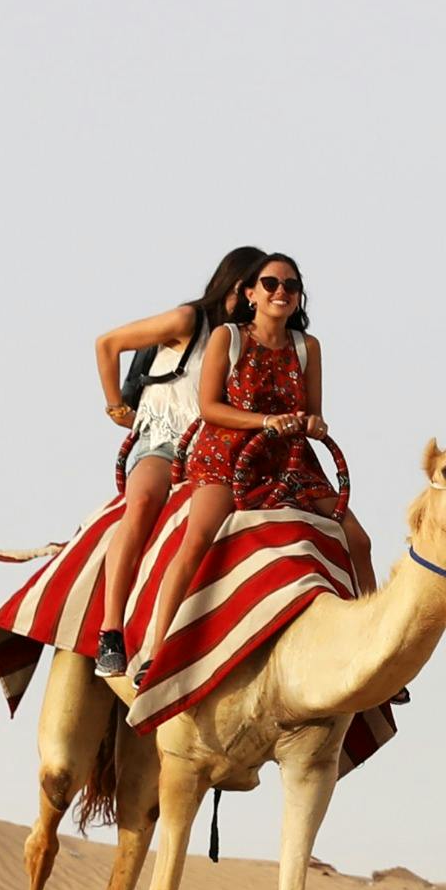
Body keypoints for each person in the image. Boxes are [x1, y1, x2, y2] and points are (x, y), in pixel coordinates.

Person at [129, 251, 341, 673]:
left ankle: (366, 655)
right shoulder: (230, 337)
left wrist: (312, 423)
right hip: (228, 452)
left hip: (289, 458)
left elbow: (313, 411)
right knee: (198, 538)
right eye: (270, 284)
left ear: (299, 297)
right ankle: (155, 651)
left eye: (291, 286)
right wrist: (264, 421)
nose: (281, 291)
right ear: (250, 294)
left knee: (354, 537)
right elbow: (209, 407)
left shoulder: (307, 347)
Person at [86, 246, 271, 679]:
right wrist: (117, 407)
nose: (270, 295)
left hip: (217, 449)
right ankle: (111, 630)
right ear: (242, 284)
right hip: (165, 439)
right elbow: (108, 343)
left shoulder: (251, 339)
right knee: (146, 499)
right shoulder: (191, 320)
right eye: (264, 284)